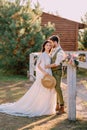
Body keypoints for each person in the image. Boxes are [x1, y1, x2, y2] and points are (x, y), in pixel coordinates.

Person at [0, 40, 56, 117]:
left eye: (50, 45)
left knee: (49, 89)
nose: (48, 47)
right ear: (44, 46)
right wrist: (44, 73)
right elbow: (38, 66)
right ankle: (40, 108)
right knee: (42, 90)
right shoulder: (42, 55)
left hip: (49, 73)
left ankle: (47, 108)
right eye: (47, 45)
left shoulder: (49, 55)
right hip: (44, 74)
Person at [45, 35, 66, 115]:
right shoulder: (54, 50)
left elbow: (57, 63)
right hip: (53, 72)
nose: (50, 44)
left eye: (51, 42)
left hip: (57, 72)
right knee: (55, 88)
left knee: (58, 88)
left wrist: (47, 66)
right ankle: (57, 105)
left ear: (55, 42)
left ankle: (62, 106)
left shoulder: (60, 52)